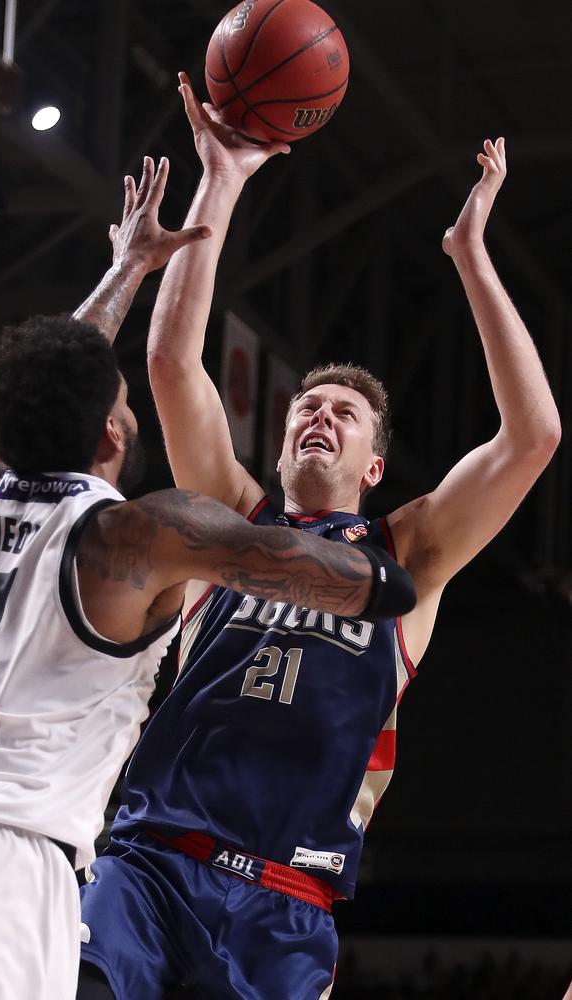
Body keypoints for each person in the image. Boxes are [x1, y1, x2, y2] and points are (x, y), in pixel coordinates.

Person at [77, 78, 561, 1000]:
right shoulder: (227, 524)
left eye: (343, 413)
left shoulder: (409, 552)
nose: (320, 417)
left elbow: (533, 437)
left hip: (287, 906)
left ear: (376, 465)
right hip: (151, 864)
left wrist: (470, 259)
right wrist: (221, 176)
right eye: (307, 405)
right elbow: (173, 361)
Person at [0, 158, 415, 1000]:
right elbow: (373, 588)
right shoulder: (138, 534)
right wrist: (367, 567)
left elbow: (53, 377)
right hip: (6, 862)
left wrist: (126, 270)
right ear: (112, 434)